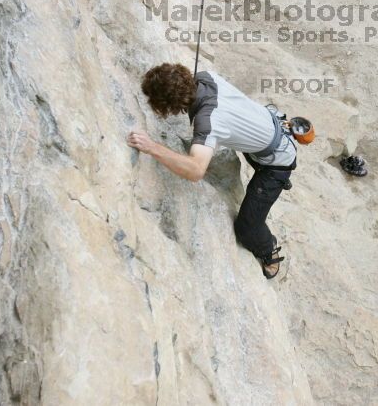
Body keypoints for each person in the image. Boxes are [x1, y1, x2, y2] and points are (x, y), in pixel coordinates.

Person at [127, 63, 297, 279]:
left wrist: (152, 147)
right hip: (271, 126)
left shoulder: (208, 123)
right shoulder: (206, 76)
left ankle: (268, 250)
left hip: (277, 162)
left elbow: (196, 170)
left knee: (247, 228)